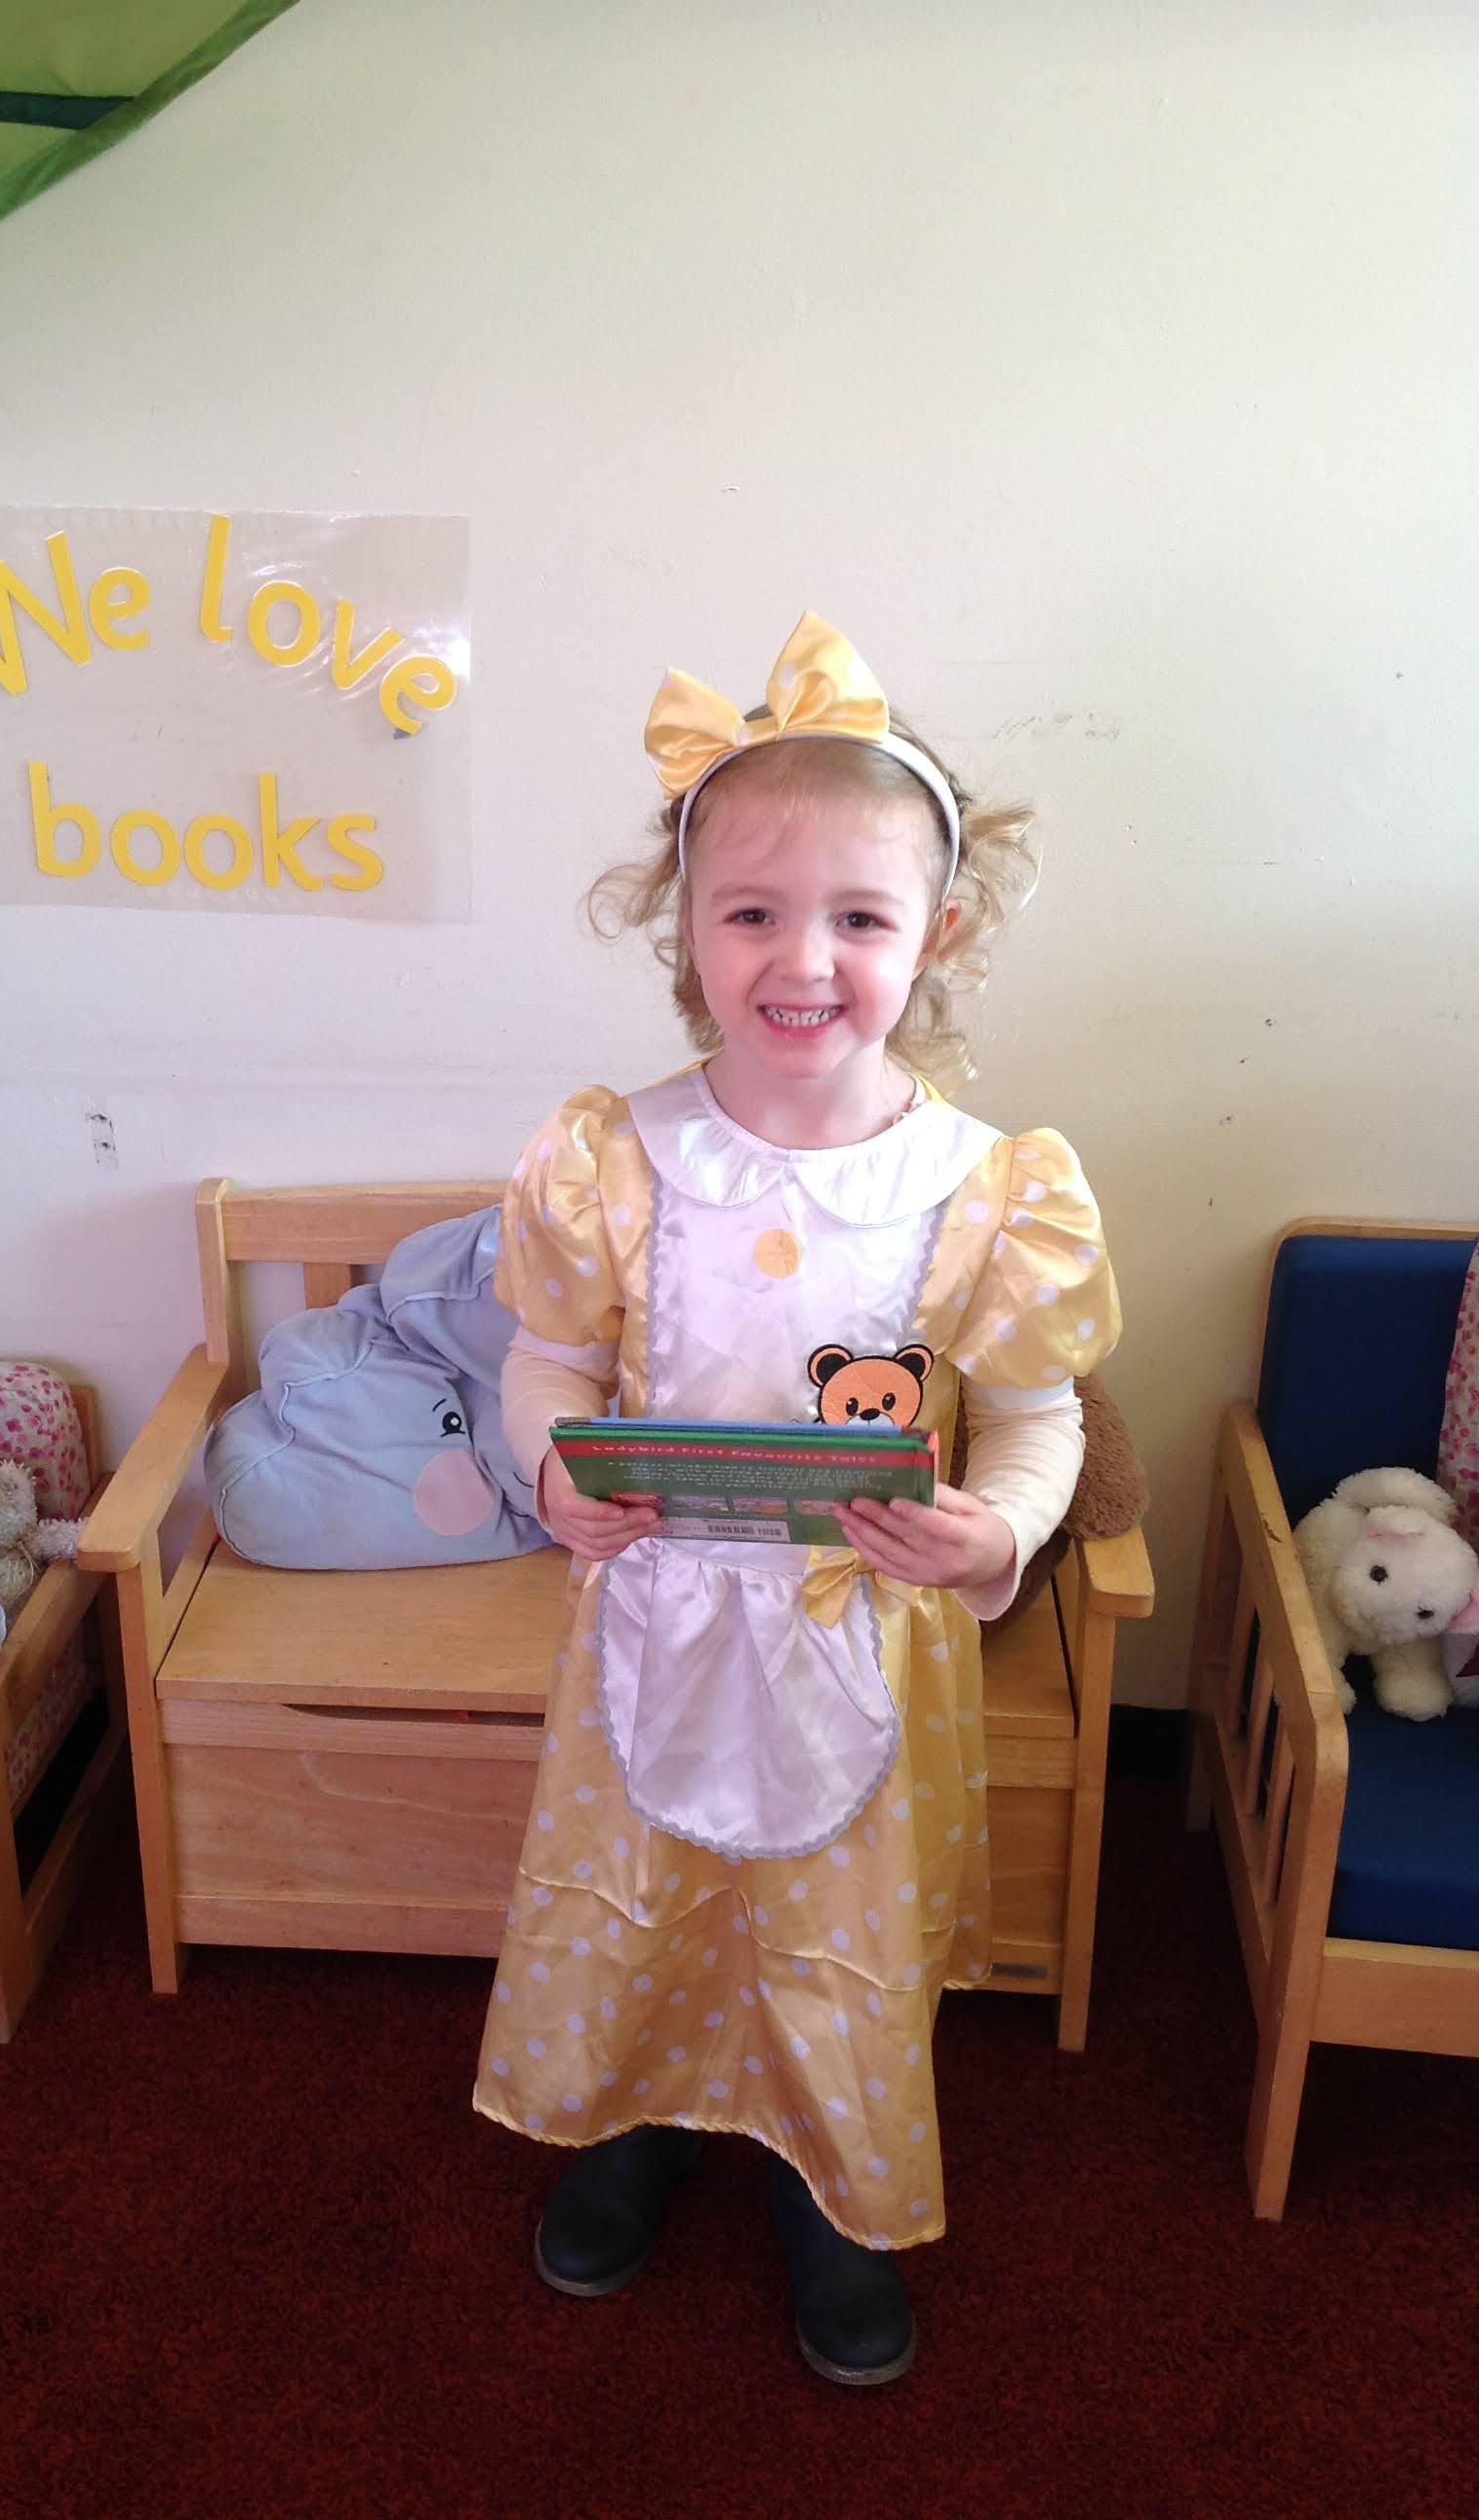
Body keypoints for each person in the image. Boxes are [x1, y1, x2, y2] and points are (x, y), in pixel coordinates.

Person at [473, 612, 1120, 2386]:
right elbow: (545, 1366)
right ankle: (637, 2122)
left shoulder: (987, 1187)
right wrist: (554, 1466)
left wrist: (1001, 1529)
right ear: (682, 924)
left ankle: (835, 2183)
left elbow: (1039, 1418)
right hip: (654, 1628)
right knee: (646, 1898)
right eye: (752, 911)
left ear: (939, 931)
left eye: (860, 918)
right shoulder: (618, 1160)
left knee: (837, 1938)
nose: (804, 960)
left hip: (864, 1647)